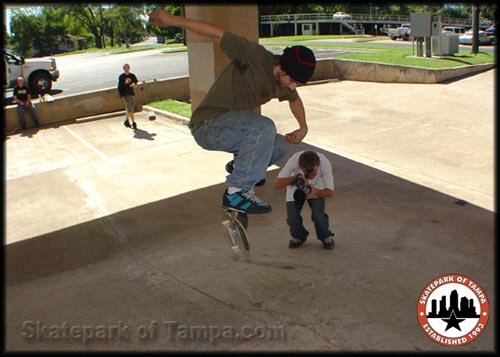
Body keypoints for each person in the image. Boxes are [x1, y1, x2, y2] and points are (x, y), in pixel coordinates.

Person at [149, 9, 316, 214]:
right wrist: (173, 20)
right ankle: (236, 192)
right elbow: (215, 33)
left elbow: (295, 100)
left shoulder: (285, 83)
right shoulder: (253, 55)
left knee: (280, 145)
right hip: (207, 125)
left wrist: (303, 127)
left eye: (297, 84)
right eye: (292, 81)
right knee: (264, 127)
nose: (292, 87)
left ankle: (240, 167)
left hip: (233, 130)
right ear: (281, 67)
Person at [274, 150, 335, 249]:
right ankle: (299, 236)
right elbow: (277, 184)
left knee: (318, 215)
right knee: (292, 218)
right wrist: (295, 178)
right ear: (301, 167)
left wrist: (315, 192)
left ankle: (326, 236)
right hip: (295, 189)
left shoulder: (325, 163)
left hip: (317, 187)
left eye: (314, 172)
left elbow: (330, 192)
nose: (311, 176)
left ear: (318, 164)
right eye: (307, 173)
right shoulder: (294, 160)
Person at [118, 63, 139, 130]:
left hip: (131, 94)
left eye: (128, 67)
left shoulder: (132, 76)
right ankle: (133, 123)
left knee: (131, 109)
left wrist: (134, 85)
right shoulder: (121, 76)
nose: (127, 68)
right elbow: (119, 87)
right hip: (125, 95)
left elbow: (136, 84)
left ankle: (126, 121)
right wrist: (122, 95)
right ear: (123, 68)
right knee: (129, 109)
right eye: (125, 67)